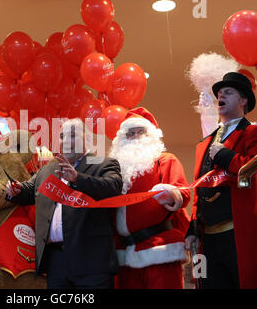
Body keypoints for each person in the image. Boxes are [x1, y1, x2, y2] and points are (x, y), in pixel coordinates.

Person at [6, 118, 122, 289]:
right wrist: (15, 190)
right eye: (62, 136)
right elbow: (29, 191)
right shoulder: (48, 169)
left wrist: (77, 178)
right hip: (56, 261)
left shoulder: (103, 163)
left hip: (91, 261)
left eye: (73, 135)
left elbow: (113, 188)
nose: (66, 141)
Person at [185, 72, 257, 289]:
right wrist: (193, 228)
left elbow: (253, 171)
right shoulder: (204, 143)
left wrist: (226, 157)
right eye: (219, 93)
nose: (221, 96)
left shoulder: (252, 133)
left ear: (243, 100)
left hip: (239, 234)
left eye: (228, 92)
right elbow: (201, 189)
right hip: (209, 239)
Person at [109, 107, 190, 289]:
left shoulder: (165, 160)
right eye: (130, 133)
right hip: (124, 254)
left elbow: (183, 193)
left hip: (159, 248)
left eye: (141, 132)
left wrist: (169, 193)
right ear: (122, 139)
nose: (136, 136)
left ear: (151, 136)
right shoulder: (113, 170)